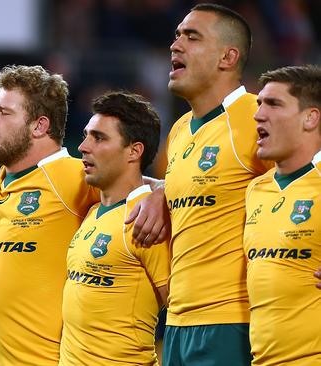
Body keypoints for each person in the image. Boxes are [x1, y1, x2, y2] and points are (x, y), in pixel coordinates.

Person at [131, 4, 272, 365]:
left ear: (228, 56)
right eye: (177, 36)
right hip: (176, 323)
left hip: (231, 321)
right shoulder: (179, 131)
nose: (176, 45)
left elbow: (309, 182)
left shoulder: (259, 118)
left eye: (192, 37)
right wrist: (160, 192)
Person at [0, 65, 100, 365]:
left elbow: (132, 186)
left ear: (39, 126)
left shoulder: (73, 176)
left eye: (4, 113)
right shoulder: (3, 179)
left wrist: (160, 192)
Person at [59, 91, 169, 365]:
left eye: (99, 138)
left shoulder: (148, 217)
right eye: (86, 135)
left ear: (134, 151)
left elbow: (181, 309)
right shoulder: (93, 211)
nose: (84, 146)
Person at [244, 65, 321, 365]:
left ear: (310, 117)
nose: (258, 114)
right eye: (260, 103)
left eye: (274, 104)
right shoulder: (256, 190)